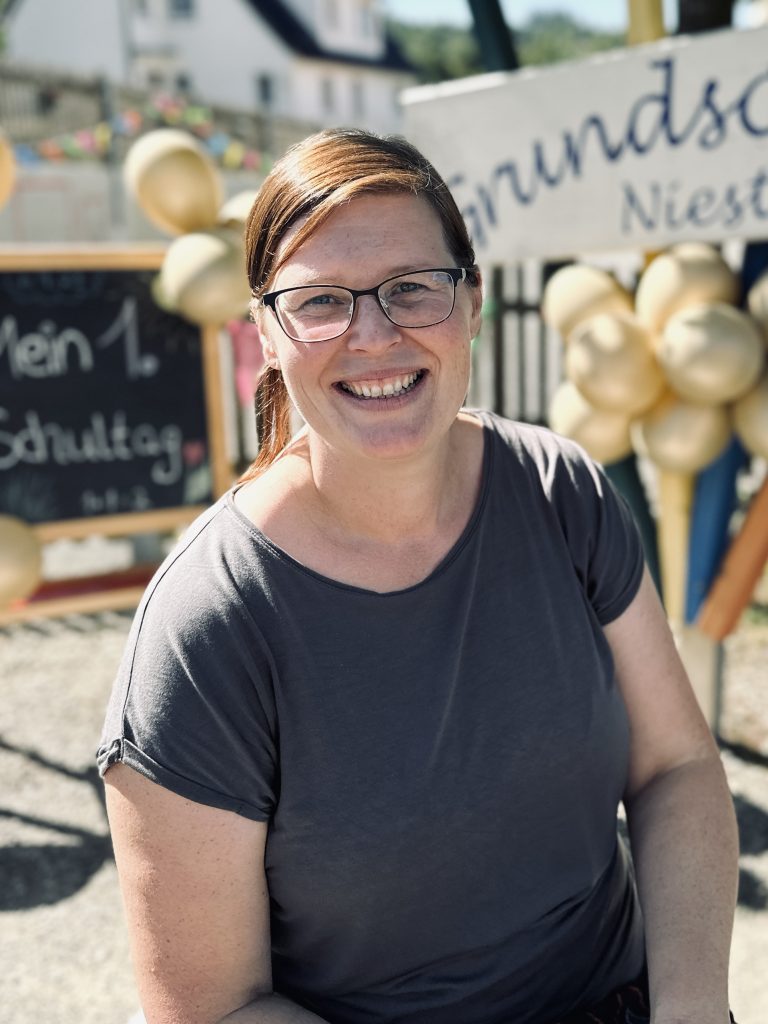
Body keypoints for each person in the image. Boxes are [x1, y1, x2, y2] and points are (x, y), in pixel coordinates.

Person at [98, 127, 739, 1024]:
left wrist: (692, 1005)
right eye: (320, 301)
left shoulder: (561, 493)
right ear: (267, 334)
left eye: (411, 287)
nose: (373, 334)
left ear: (472, 300)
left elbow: (676, 767)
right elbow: (213, 1008)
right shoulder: (208, 625)